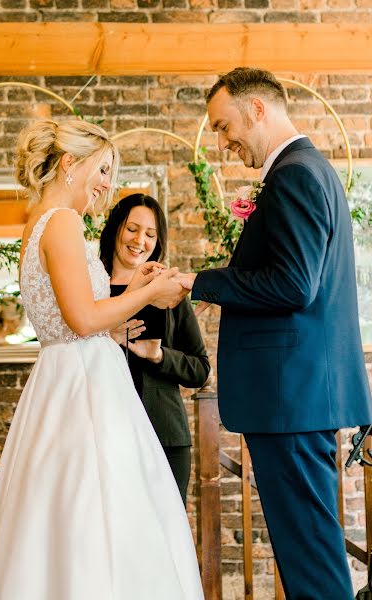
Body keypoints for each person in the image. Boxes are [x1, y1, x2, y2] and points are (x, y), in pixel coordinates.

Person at [0, 118, 204, 600]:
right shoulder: (62, 223)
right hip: (84, 386)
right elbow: (82, 320)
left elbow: (78, 311)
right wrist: (152, 293)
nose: (106, 185)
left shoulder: (39, 222)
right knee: (101, 512)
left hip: (64, 378)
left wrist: (137, 286)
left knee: (63, 514)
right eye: (102, 171)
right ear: (70, 164)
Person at [178, 67, 372, 599]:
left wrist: (199, 281)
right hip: (297, 397)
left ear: (257, 110)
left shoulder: (294, 175)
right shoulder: (308, 170)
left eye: (223, 126)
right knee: (306, 549)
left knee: (310, 558)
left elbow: (292, 284)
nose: (222, 142)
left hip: (291, 398)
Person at [100, 193, 210, 504]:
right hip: (105, 433)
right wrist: (105, 334)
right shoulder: (91, 288)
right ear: (115, 229)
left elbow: (201, 369)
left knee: (166, 537)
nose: (140, 241)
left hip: (164, 437)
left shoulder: (169, 290)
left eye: (150, 234)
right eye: (132, 229)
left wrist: (159, 356)